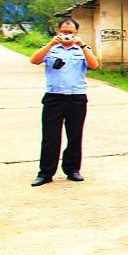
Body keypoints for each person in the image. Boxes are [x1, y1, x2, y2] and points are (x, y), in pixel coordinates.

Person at [29, 18, 99, 186]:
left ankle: (73, 169)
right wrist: (50, 44)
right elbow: (34, 60)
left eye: (70, 33)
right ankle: (45, 173)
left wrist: (82, 45)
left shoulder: (83, 49)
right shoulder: (51, 48)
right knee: (50, 137)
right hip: (54, 97)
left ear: (76, 33)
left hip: (76, 98)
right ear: (58, 32)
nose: (67, 35)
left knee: (74, 135)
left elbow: (94, 65)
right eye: (64, 32)